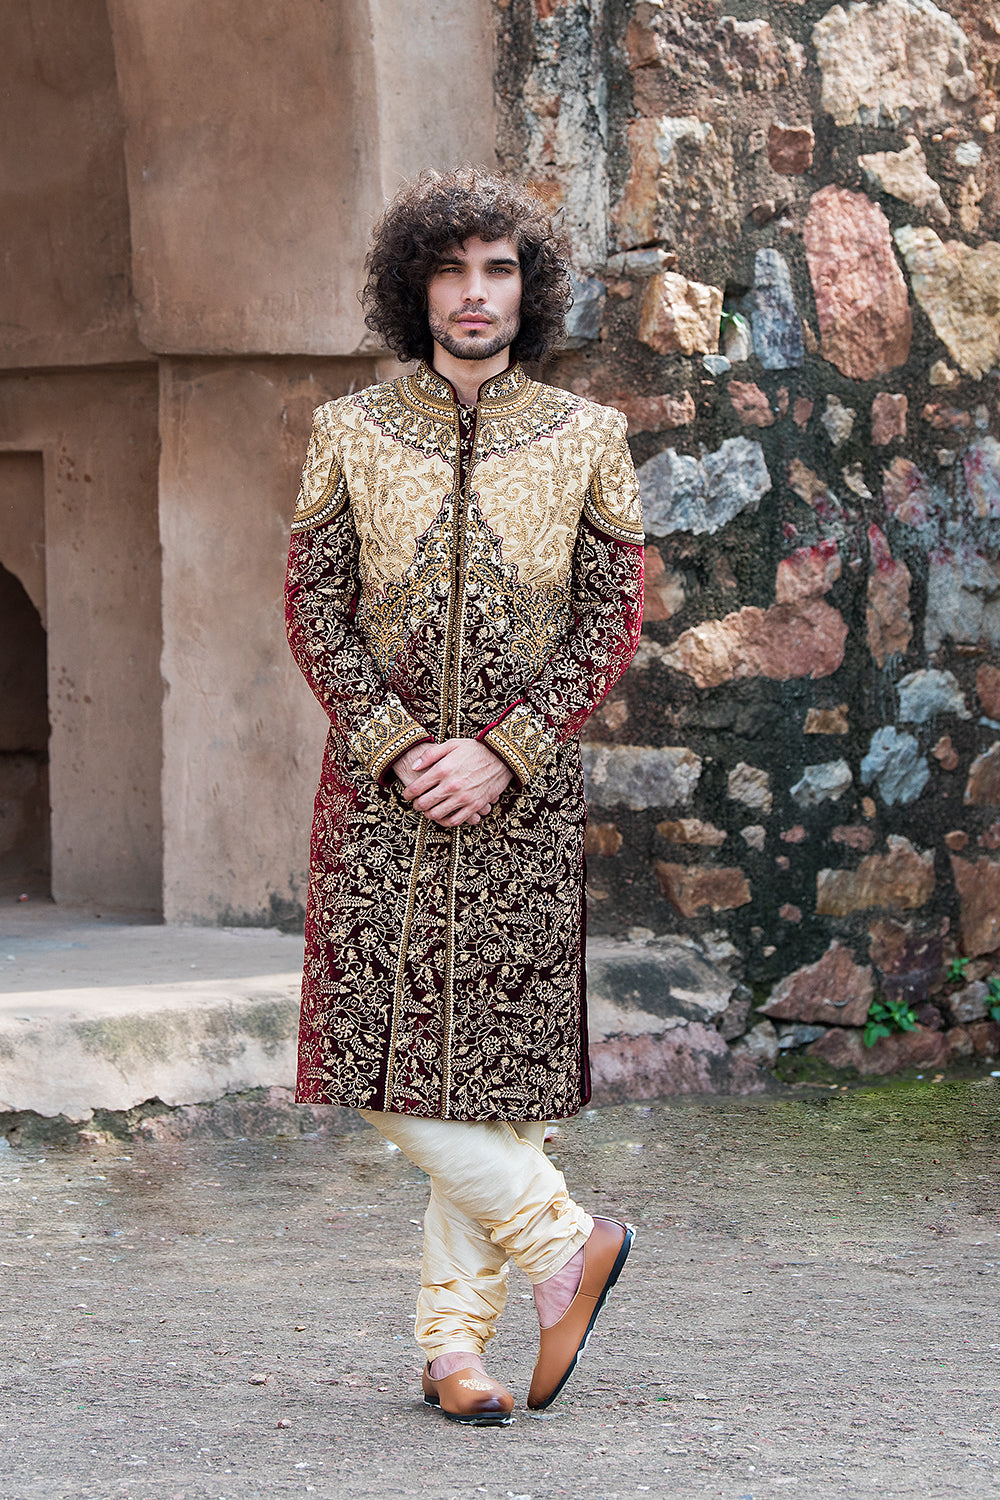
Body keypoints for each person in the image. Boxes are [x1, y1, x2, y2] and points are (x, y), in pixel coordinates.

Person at [285, 168, 645, 1425]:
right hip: (377, 799)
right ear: (416, 287)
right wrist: (395, 745)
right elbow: (314, 613)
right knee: (378, 1062)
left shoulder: (590, 438)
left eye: (498, 269)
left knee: (496, 1080)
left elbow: (611, 620)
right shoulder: (347, 429)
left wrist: (507, 748)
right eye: (452, 270)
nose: (475, 293)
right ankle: (564, 1250)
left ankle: (455, 1352)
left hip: (524, 801)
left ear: (528, 287)